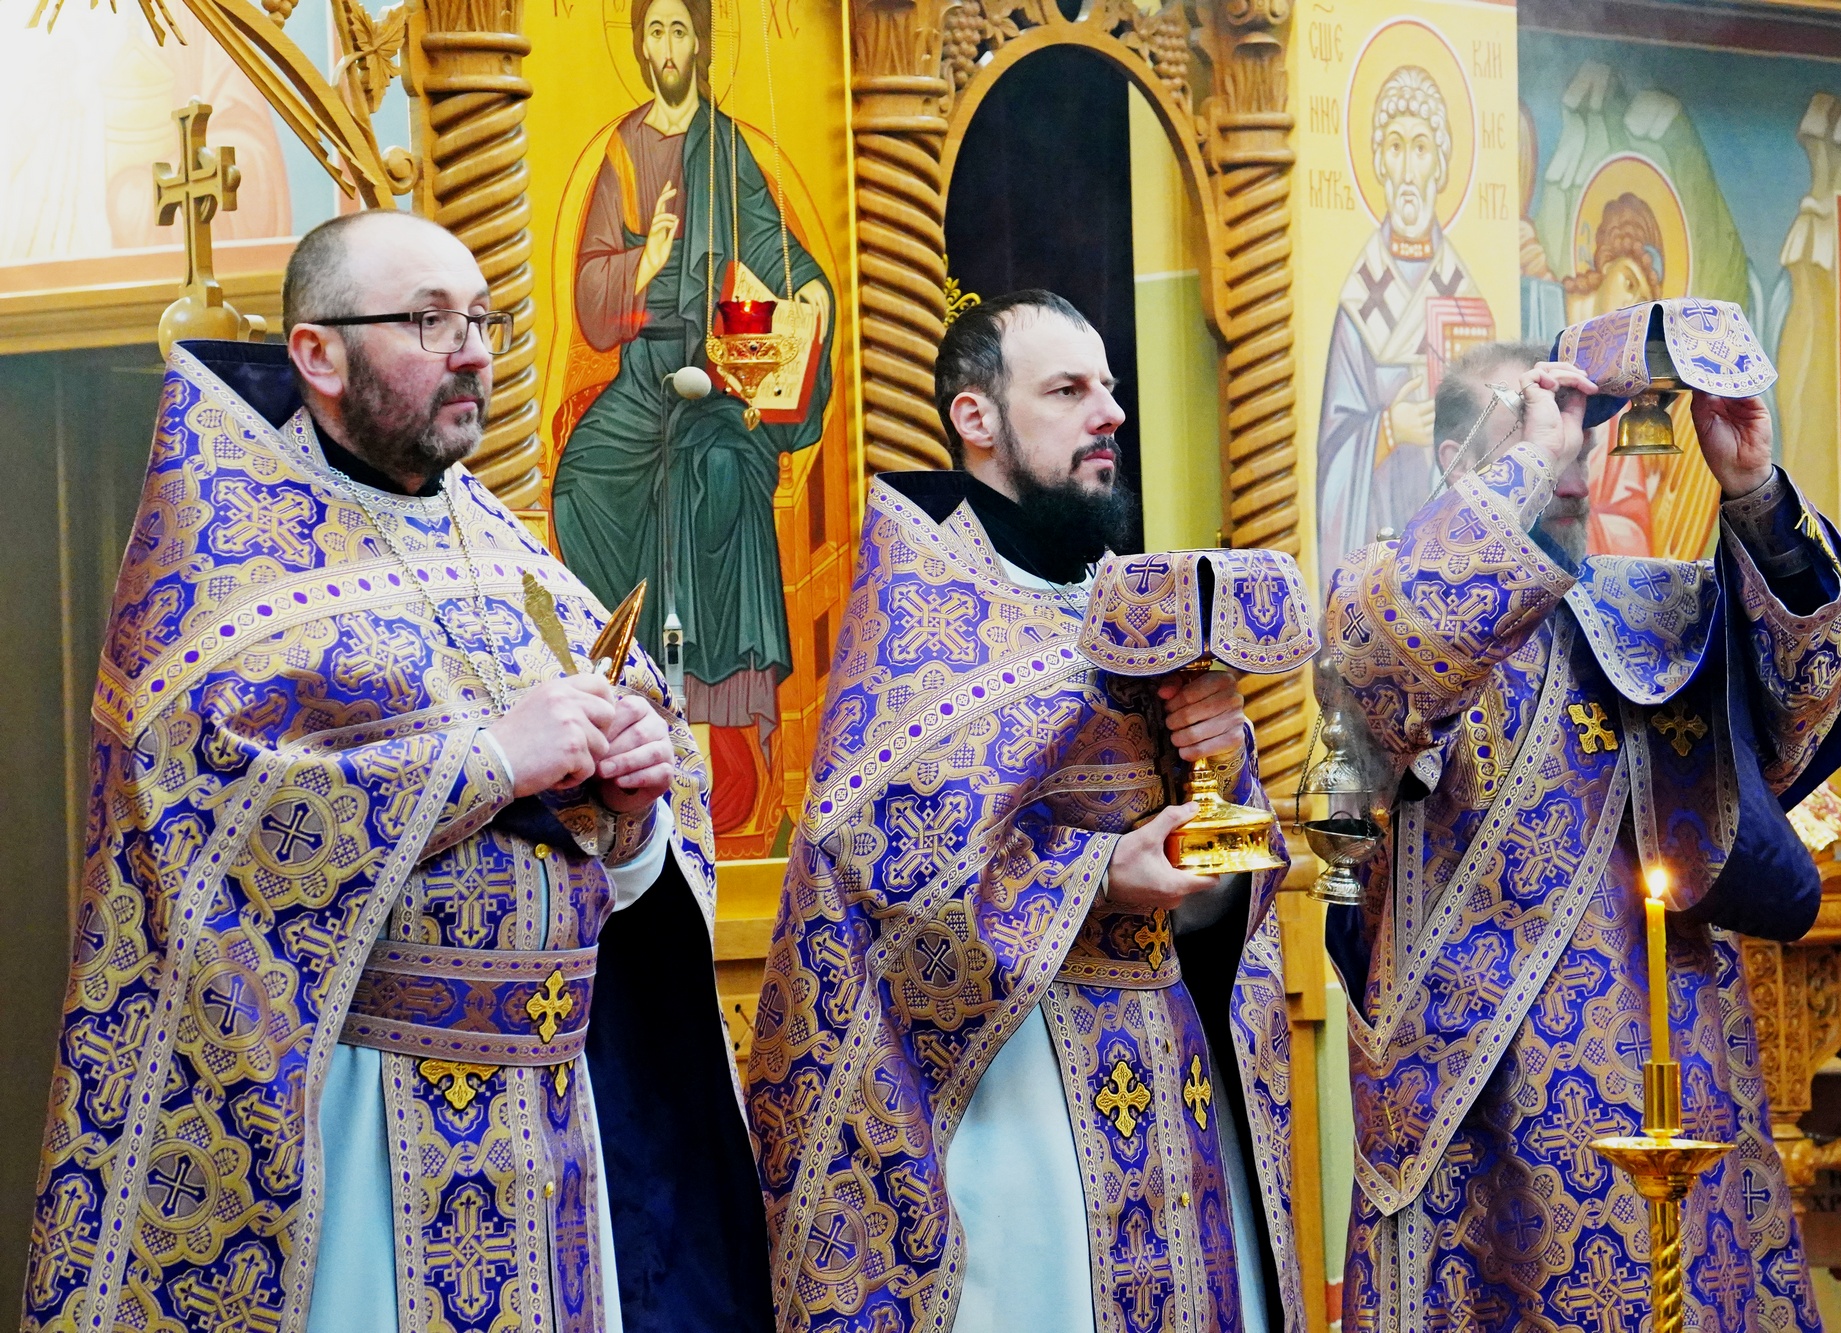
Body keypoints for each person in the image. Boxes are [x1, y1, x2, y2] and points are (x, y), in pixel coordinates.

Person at [20, 210, 770, 1333]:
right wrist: (488, 757)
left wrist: (632, 813)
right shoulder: (229, 566)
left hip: (560, 1115)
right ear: (318, 354)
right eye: (429, 320)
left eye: (480, 317)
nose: (472, 348)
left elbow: (614, 853)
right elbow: (204, 819)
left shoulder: (506, 551)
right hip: (368, 1126)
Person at [747, 290, 1305, 1333]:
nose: (1109, 414)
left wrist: (1222, 759)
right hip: (1013, 1087)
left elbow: (1226, 867)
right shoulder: (924, 602)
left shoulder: (1133, 601)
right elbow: (870, 856)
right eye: (1067, 389)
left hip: (1170, 1063)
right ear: (976, 418)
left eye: (1110, 387)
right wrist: (1094, 876)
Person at [1323, 341, 1841, 1330]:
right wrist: (1523, 468)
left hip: (1675, 1083)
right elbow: (1382, 667)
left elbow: (1797, 716)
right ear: (1458, 460)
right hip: (1478, 1100)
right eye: (1533, 417)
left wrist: (1751, 491)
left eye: (1580, 421)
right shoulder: (1388, 599)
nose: (1567, 444)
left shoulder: (1652, 611)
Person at [551, 0, 835, 836]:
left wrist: (810, 292)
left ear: (700, 45)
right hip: (644, 370)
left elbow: (782, 248)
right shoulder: (622, 155)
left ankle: (726, 732)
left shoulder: (724, 144)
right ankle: (621, 699)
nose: (667, 48)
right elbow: (594, 299)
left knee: (712, 476)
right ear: (637, 45)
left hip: (719, 365)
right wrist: (651, 258)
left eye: (681, 32)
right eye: (655, 32)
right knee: (580, 484)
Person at [1317, 64, 1491, 577]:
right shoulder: (1359, 303)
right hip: (1382, 542)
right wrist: (1389, 429)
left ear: (1440, 166)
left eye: (1421, 149)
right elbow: (1333, 453)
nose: (1409, 171)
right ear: (1378, 163)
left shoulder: (1465, 297)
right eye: (1396, 147)